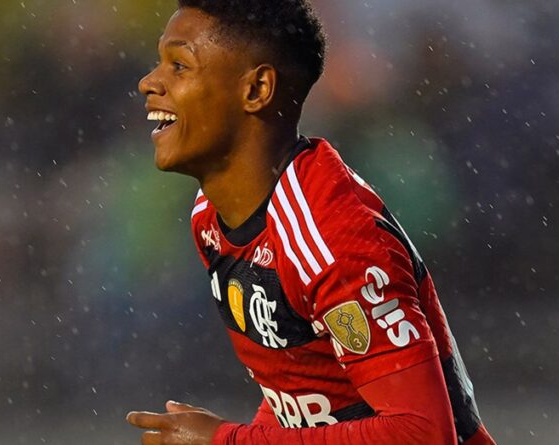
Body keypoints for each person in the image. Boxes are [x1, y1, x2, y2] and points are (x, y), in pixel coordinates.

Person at [127, 1, 496, 444]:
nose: (149, 81)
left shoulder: (332, 236)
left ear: (257, 89)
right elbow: (303, 388)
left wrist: (227, 440)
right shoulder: (211, 214)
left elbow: (423, 433)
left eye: (179, 65)